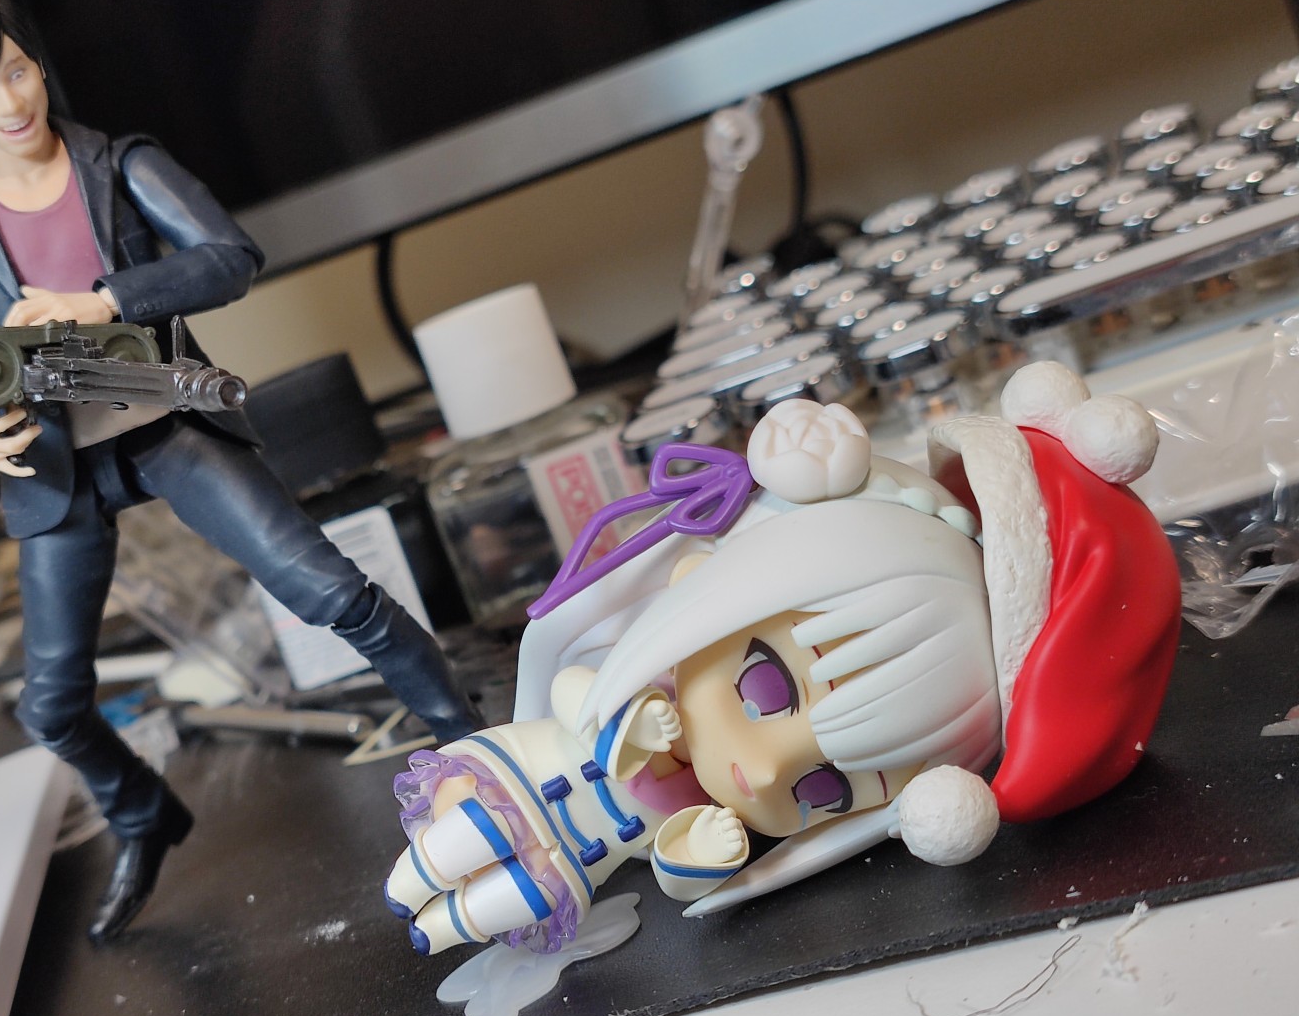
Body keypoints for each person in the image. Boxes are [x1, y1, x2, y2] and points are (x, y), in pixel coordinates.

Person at [0, 0, 482, 943]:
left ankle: (468, 738)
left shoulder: (119, 163)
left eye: (18, 72)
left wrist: (103, 300)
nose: (10, 102)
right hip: (53, 463)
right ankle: (143, 814)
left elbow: (230, 256)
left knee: (329, 589)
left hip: (166, 420)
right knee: (51, 706)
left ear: (39, 64)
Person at [385, 366, 1181, 956]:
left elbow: (672, 871)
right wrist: (624, 726)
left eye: (822, 791)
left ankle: (442, 921)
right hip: (524, 772)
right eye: (764, 686)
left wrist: (694, 858)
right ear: (706, 584)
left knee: (487, 905)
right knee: (457, 824)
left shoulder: (721, 809)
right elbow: (570, 692)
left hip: (573, 868)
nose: (764, 773)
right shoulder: (635, 682)